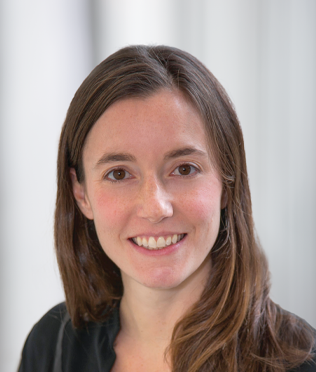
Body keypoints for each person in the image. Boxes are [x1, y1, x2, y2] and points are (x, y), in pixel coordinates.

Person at [18, 45, 315, 372]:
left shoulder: (300, 361)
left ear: (227, 183)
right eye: (119, 174)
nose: (155, 206)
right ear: (81, 193)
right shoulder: (52, 345)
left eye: (184, 169)